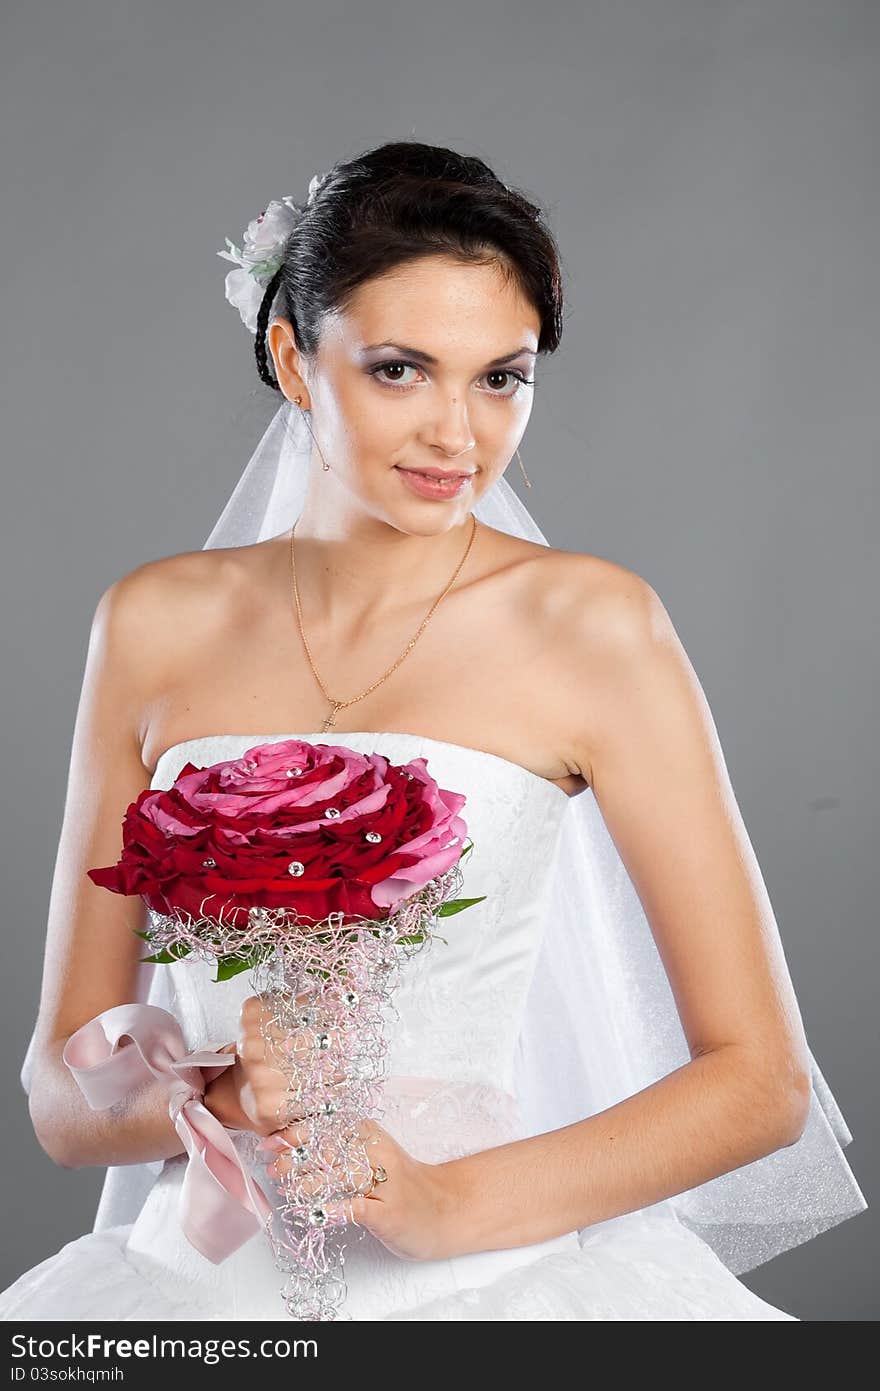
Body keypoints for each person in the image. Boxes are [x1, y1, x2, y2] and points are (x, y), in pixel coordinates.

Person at [1, 141, 866, 1322]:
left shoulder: (592, 626)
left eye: (500, 378)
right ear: (293, 358)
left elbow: (760, 1082)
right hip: (184, 1285)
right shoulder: (151, 621)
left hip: (487, 1280)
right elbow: (60, 1090)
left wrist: (449, 1204)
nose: (457, 435)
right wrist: (215, 1100)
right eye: (401, 369)